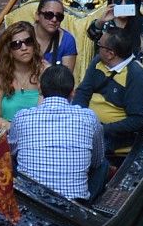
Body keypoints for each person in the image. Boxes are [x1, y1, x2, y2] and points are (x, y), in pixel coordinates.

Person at [7, 67, 108, 203]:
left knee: (10, 157)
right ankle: (88, 205)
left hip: (32, 200)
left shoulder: (21, 117)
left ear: (40, 90)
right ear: (73, 92)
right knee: (104, 164)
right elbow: (97, 161)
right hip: (75, 202)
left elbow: (12, 151)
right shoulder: (89, 117)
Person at [74, 16, 143, 156]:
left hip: (113, 138)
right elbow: (83, 91)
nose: (97, 47)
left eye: (100, 45)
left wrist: (100, 129)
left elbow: (135, 121)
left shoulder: (136, 76)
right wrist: (78, 118)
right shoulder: (98, 61)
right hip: (87, 128)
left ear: (110, 54)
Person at [0, 20, 41, 135]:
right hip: (5, 134)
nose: (24, 48)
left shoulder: (44, 71)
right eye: (16, 44)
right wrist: (18, 131)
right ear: (9, 50)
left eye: (28, 42)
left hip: (37, 135)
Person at [35, 0, 78, 72]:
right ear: (37, 15)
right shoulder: (24, 35)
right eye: (49, 15)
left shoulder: (67, 40)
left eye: (59, 17)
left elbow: (66, 80)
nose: (54, 20)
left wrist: (50, 71)